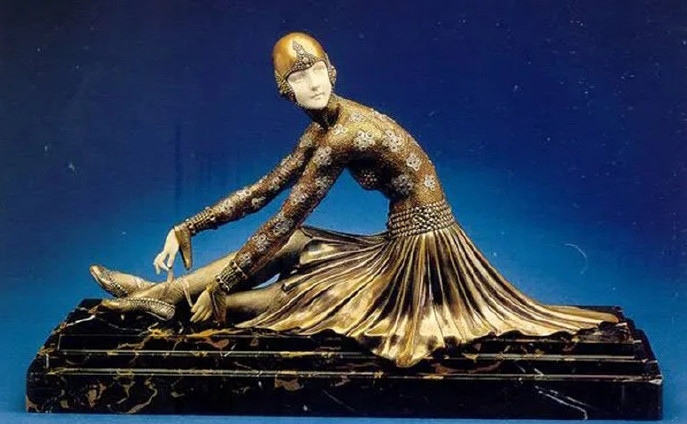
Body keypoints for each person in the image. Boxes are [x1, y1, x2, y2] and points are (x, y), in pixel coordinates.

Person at [91, 32, 618, 368]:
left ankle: (166, 299)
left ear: (333, 70)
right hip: (399, 240)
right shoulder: (323, 129)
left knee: (304, 296)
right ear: (285, 90)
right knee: (298, 252)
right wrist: (188, 226)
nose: (312, 82)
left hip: (424, 255)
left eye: (317, 69)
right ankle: (163, 294)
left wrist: (225, 282)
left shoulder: (345, 135)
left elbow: (284, 219)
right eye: (299, 76)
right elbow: (266, 189)